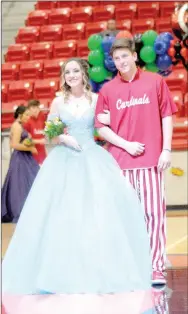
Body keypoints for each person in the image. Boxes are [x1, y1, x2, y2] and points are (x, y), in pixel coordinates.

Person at [2, 58, 151, 297]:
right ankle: (59, 273)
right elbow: (51, 130)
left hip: (92, 158)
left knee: (97, 215)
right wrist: (63, 138)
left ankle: (98, 271)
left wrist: (125, 142)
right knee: (63, 215)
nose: (71, 75)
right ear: (64, 77)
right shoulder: (58, 101)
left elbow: (103, 129)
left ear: (84, 74)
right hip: (64, 160)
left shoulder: (96, 99)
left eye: (75, 71)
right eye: (67, 72)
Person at [94, 38, 178, 285]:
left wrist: (166, 149)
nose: (121, 62)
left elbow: (167, 116)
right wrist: (126, 145)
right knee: (123, 216)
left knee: (154, 214)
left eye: (124, 56)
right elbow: (101, 127)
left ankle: (156, 267)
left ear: (134, 56)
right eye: (116, 59)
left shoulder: (155, 82)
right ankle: (129, 266)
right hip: (120, 162)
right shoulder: (108, 90)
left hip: (152, 159)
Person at [1, 106, 39, 223]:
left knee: (27, 182)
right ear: (20, 115)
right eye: (26, 115)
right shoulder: (17, 126)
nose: (28, 117)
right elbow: (14, 145)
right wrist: (31, 148)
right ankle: (20, 210)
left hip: (23, 158)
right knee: (21, 185)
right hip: (20, 158)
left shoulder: (19, 125)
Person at [24, 99, 47, 165]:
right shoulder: (27, 122)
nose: (36, 110)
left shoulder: (42, 116)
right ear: (29, 110)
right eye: (33, 108)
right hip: (31, 154)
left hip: (42, 153)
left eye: (37, 107)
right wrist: (39, 141)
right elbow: (25, 141)